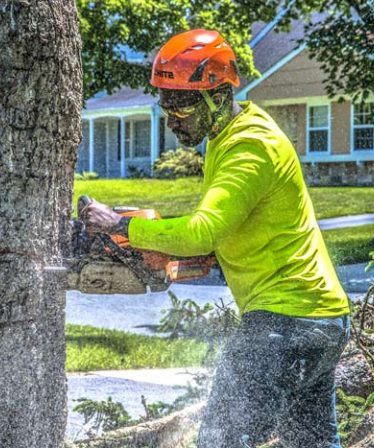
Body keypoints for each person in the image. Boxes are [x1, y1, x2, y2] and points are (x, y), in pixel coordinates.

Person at [81, 29, 351, 448]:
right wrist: (195, 256)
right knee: (313, 443)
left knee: (220, 440)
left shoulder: (249, 148)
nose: (171, 119)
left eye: (182, 107)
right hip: (321, 318)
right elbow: (228, 229)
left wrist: (122, 226)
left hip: (285, 323)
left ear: (218, 94)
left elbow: (205, 228)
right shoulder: (228, 137)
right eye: (166, 104)